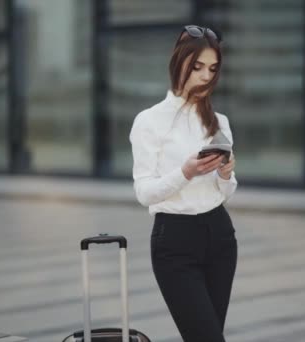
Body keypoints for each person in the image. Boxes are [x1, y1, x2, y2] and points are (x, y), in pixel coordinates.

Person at [129, 25, 238, 342]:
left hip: (220, 236)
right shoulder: (149, 121)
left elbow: (226, 193)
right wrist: (185, 172)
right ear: (179, 64)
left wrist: (225, 174)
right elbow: (144, 192)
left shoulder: (219, 122)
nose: (206, 76)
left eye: (213, 68)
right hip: (175, 242)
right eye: (198, 67)